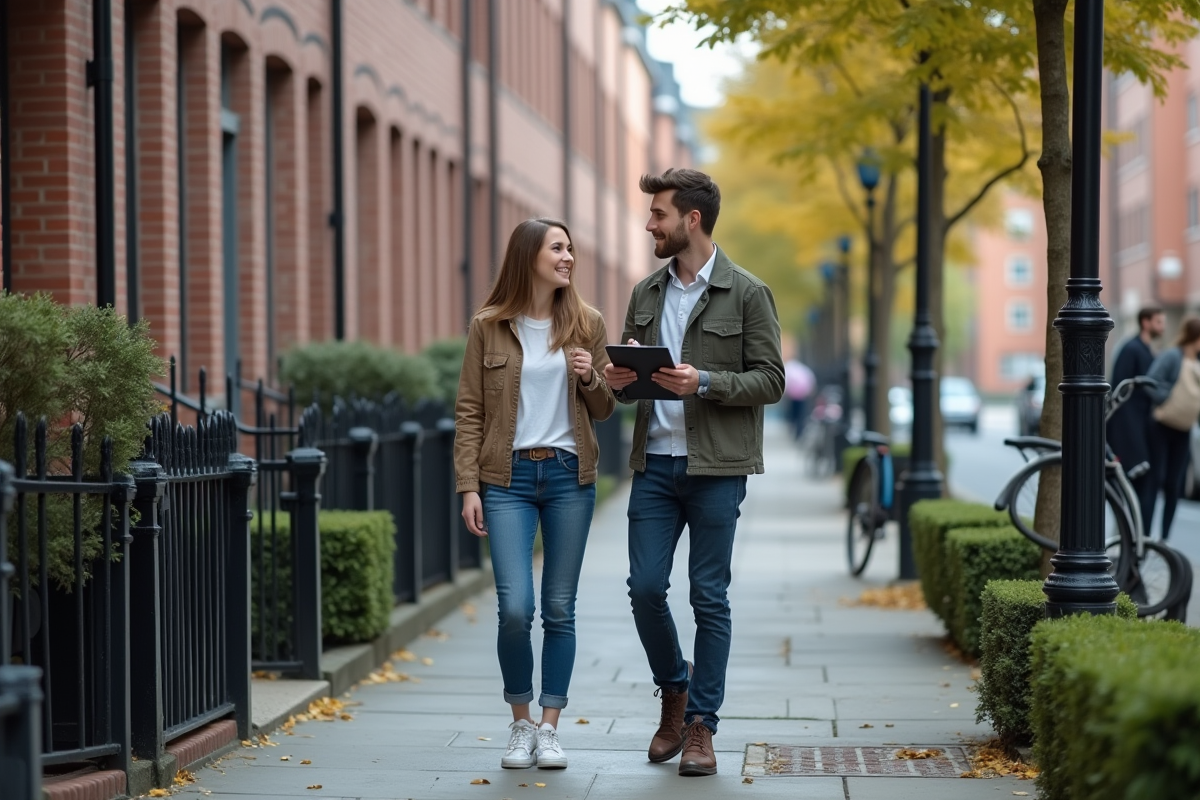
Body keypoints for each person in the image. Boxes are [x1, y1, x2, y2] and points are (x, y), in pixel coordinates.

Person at [603, 168, 785, 777]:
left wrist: (704, 381)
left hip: (717, 467)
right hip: (654, 466)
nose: (649, 224)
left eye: (658, 214)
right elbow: (631, 384)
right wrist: (620, 382)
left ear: (692, 220)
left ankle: (702, 725)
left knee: (709, 596)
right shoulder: (646, 293)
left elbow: (772, 380)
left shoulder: (748, 292)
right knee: (646, 589)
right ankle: (673, 689)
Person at [453, 218, 616, 771]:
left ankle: (550, 728)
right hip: (507, 480)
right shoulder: (490, 326)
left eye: (570, 248)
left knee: (559, 608)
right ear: (529, 257)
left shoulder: (586, 323)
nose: (568, 257)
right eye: (558, 248)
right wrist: (468, 485)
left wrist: (592, 376)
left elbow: (607, 408)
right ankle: (519, 724)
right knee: (515, 608)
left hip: (570, 476)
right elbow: (470, 411)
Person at [1107, 306, 1165, 534]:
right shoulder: (1131, 350)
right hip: (1130, 431)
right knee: (1130, 486)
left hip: (1144, 429)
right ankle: (1127, 538)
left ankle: (1137, 539)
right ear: (1146, 322)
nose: (1163, 327)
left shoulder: (1148, 350)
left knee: (1143, 488)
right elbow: (1121, 392)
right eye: (1159, 322)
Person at [1144, 317, 1200, 541]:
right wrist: (1165, 398)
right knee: (1155, 479)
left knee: (1174, 485)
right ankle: (1146, 536)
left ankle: (1164, 538)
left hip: (1184, 428)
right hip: (1161, 425)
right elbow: (1150, 381)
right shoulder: (1172, 356)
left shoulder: (1197, 360)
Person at [784, 357, 816, 440]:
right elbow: (811, 380)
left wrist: (786, 392)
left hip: (793, 396)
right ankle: (799, 432)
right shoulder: (804, 370)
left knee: (793, 414)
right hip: (802, 396)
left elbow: (785, 381)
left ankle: (794, 430)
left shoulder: (789, 369)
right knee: (800, 415)